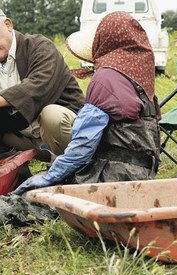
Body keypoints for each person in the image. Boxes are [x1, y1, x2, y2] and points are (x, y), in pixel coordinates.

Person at [14, 11, 161, 195]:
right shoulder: (139, 77)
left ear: (104, 42)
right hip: (145, 174)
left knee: (31, 197)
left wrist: (48, 177)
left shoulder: (105, 80)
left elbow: (82, 146)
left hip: (114, 175)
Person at [0, 5, 85, 175]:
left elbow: (37, 86)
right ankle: (13, 173)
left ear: (8, 25)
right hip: (31, 140)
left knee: (52, 115)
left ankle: (76, 169)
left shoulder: (40, 46)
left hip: (67, 136)